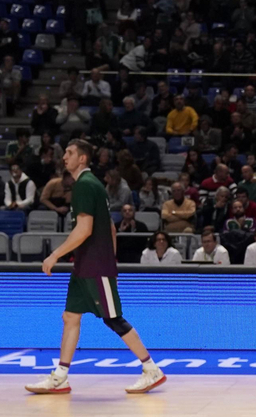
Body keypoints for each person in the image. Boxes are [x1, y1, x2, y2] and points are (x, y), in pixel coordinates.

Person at [25, 139, 165, 396]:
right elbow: (110, 228)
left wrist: (54, 255)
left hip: (94, 266)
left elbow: (84, 229)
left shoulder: (85, 185)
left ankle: (150, 369)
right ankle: (60, 377)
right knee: (70, 317)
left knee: (113, 319)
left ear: (82, 159)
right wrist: (109, 262)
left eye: (69, 153)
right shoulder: (92, 185)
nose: (64, 156)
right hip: (86, 265)